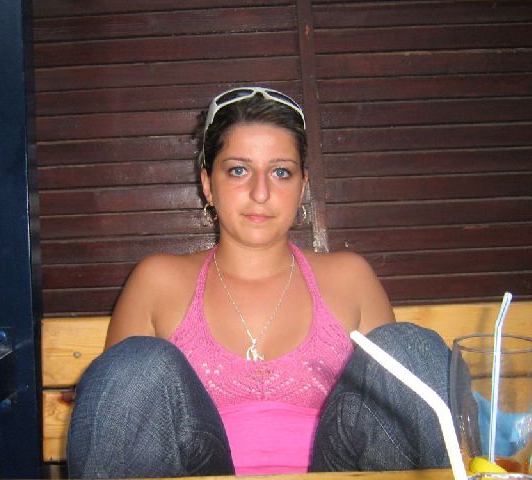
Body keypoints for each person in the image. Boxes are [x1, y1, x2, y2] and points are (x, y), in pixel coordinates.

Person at [67, 86, 452, 478]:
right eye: (238, 170)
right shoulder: (158, 282)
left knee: (410, 348)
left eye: (281, 172)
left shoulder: (351, 279)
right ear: (207, 183)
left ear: (302, 186)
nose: (261, 192)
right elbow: (120, 419)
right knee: (135, 365)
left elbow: (397, 418)